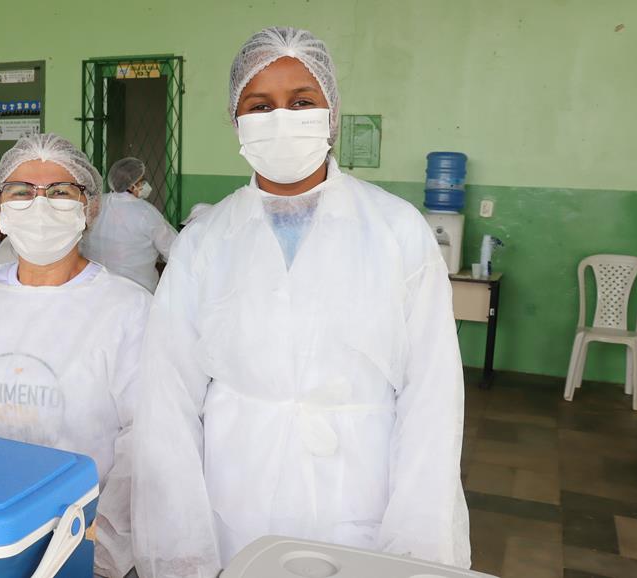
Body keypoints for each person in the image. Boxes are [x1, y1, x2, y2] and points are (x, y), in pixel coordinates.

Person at [131, 27, 469, 578]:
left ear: (331, 114)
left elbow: (432, 397)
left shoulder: (395, 230)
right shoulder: (205, 241)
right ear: (236, 120)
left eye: (302, 102)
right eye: (260, 105)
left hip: (361, 494)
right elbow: (166, 401)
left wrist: (418, 544)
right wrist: (180, 548)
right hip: (234, 496)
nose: (281, 119)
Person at [0, 134, 151, 578]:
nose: (40, 205)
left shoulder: (127, 310)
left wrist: (97, 555)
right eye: (21, 192)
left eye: (60, 192)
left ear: (89, 207)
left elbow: (145, 446)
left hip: (82, 545)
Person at [82, 157, 177, 292]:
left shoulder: (96, 205)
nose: (145, 185)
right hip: (137, 293)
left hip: (95, 289)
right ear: (133, 185)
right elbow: (174, 250)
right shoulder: (147, 213)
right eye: (142, 180)